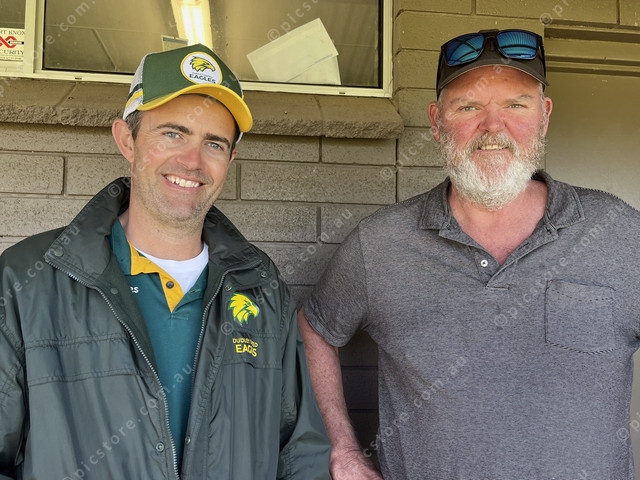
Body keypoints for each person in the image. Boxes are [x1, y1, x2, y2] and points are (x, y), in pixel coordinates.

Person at [298, 28, 640, 479]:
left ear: (544, 116)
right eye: (469, 107)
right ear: (436, 121)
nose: (493, 127)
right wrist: (342, 448)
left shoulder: (619, 232)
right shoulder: (380, 243)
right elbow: (315, 328)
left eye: (516, 105)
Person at [0, 43, 330, 479]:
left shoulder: (261, 286)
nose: (192, 162)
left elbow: (300, 453)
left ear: (230, 159)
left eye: (214, 143)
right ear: (127, 140)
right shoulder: (29, 279)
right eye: (173, 134)